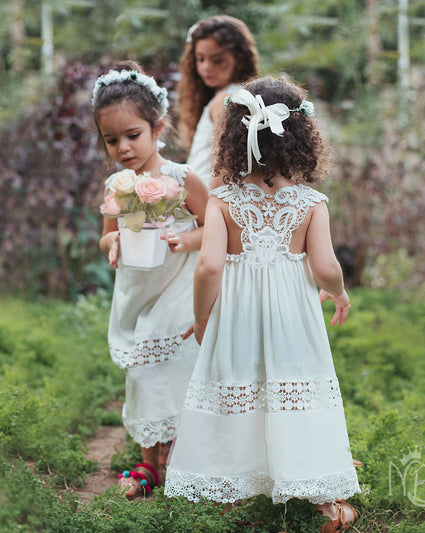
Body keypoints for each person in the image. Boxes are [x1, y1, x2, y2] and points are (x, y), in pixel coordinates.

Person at [164, 76, 361, 532]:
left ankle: (229, 491)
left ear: (234, 138)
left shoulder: (223, 201)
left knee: (238, 388)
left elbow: (209, 267)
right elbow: (326, 265)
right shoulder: (311, 202)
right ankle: (329, 506)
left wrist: (201, 316)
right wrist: (338, 291)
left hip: (237, 315)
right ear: (301, 140)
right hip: (293, 316)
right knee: (297, 393)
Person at [93, 61, 209, 497]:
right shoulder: (117, 185)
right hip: (138, 292)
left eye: (132, 135)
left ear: (157, 127)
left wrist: (186, 238)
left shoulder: (182, 180)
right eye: (111, 140)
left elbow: (213, 228)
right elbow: (106, 237)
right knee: (142, 372)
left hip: (179, 289)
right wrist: (115, 245)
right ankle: (149, 464)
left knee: (178, 367)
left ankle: (181, 451)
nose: (123, 148)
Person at [177, 15, 259, 188]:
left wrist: (212, 208)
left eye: (217, 60)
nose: (206, 67)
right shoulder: (240, 96)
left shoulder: (225, 102)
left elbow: (226, 163)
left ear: (239, 59)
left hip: (206, 198)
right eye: (200, 59)